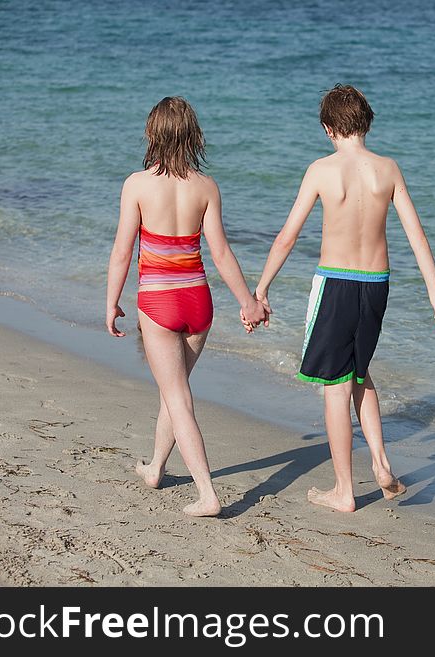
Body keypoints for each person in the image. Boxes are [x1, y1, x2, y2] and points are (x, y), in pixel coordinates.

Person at [253, 84, 435, 513]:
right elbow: (417, 236)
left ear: (328, 128)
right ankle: (380, 463)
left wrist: (262, 287)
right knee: (360, 373)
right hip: (377, 283)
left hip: (336, 282)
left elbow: (288, 236)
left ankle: (343, 490)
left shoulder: (321, 170)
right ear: (367, 122)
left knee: (334, 387)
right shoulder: (388, 169)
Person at [105, 96, 267, 517]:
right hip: (198, 301)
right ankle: (156, 468)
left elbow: (123, 252)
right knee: (172, 389)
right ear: (193, 136)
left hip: (158, 301)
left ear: (152, 134)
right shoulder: (206, 187)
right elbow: (222, 254)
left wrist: (111, 302)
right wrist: (247, 302)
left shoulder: (137, 184)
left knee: (177, 396)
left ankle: (208, 494)